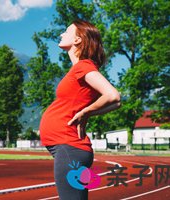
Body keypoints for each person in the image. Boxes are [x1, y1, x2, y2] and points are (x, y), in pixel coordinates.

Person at [39, 20, 121, 200]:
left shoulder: (83, 66)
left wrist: (85, 112)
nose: (61, 34)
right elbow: (116, 104)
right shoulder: (80, 68)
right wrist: (90, 112)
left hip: (69, 148)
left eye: (66, 31)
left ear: (77, 40)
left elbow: (113, 96)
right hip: (69, 148)